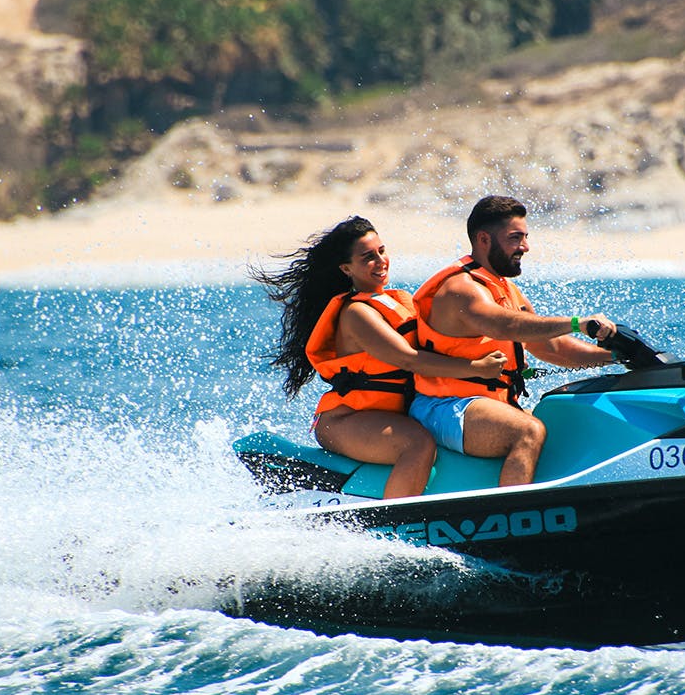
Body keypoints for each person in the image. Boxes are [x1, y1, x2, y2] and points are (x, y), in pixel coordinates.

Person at [251, 216, 507, 499]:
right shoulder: (358, 314)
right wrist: (477, 368)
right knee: (418, 444)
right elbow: (408, 359)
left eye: (381, 251)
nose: (380, 261)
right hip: (346, 420)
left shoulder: (397, 301)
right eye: (368, 257)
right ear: (346, 268)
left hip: (393, 414)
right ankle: (397, 524)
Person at [409, 195, 618, 487]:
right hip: (444, 407)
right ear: (484, 239)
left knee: (568, 417)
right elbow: (506, 325)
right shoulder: (461, 289)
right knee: (527, 431)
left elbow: (551, 346)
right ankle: (516, 517)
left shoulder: (505, 289)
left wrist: (615, 356)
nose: (525, 246)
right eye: (515, 238)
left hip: (484, 404)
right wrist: (577, 323)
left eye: (526, 237)